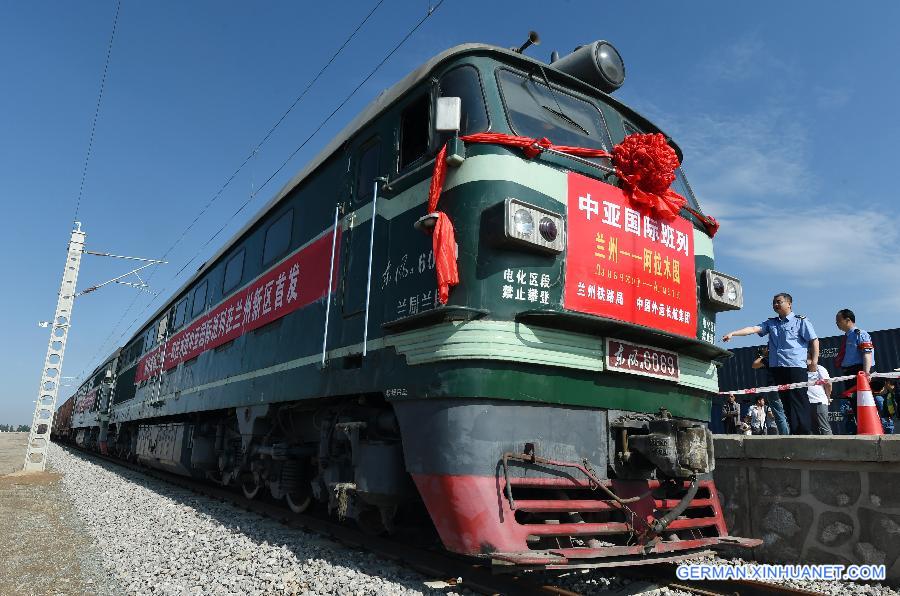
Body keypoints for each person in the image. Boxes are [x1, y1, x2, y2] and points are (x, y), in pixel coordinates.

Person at [723, 293, 819, 434]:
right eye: (774, 302)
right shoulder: (771, 323)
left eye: (779, 302)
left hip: (795, 367)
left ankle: (806, 433)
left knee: (799, 401)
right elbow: (753, 329)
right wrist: (733, 333)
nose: (775, 305)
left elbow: (814, 340)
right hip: (778, 369)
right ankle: (795, 433)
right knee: (786, 403)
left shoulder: (801, 321)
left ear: (789, 304)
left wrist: (814, 362)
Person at [835, 309, 875, 427]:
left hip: (858, 371)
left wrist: (866, 373)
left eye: (838, 320)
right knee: (853, 403)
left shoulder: (860, 334)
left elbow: (867, 353)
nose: (836, 323)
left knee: (862, 402)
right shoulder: (846, 337)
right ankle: (861, 427)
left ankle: (868, 428)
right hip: (848, 373)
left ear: (848, 320)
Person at [751, 346, 789, 435]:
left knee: (779, 416)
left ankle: (786, 438)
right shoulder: (783, 356)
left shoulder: (769, 358)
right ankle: (788, 435)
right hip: (785, 387)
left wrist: (763, 356)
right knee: (785, 415)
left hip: (773, 388)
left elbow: (754, 364)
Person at [807, 363, 833, 435]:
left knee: (824, 428)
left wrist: (828, 397)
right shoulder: (801, 369)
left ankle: (832, 445)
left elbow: (828, 384)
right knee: (812, 429)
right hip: (806, 403)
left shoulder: (820, 368)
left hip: (819, 402)